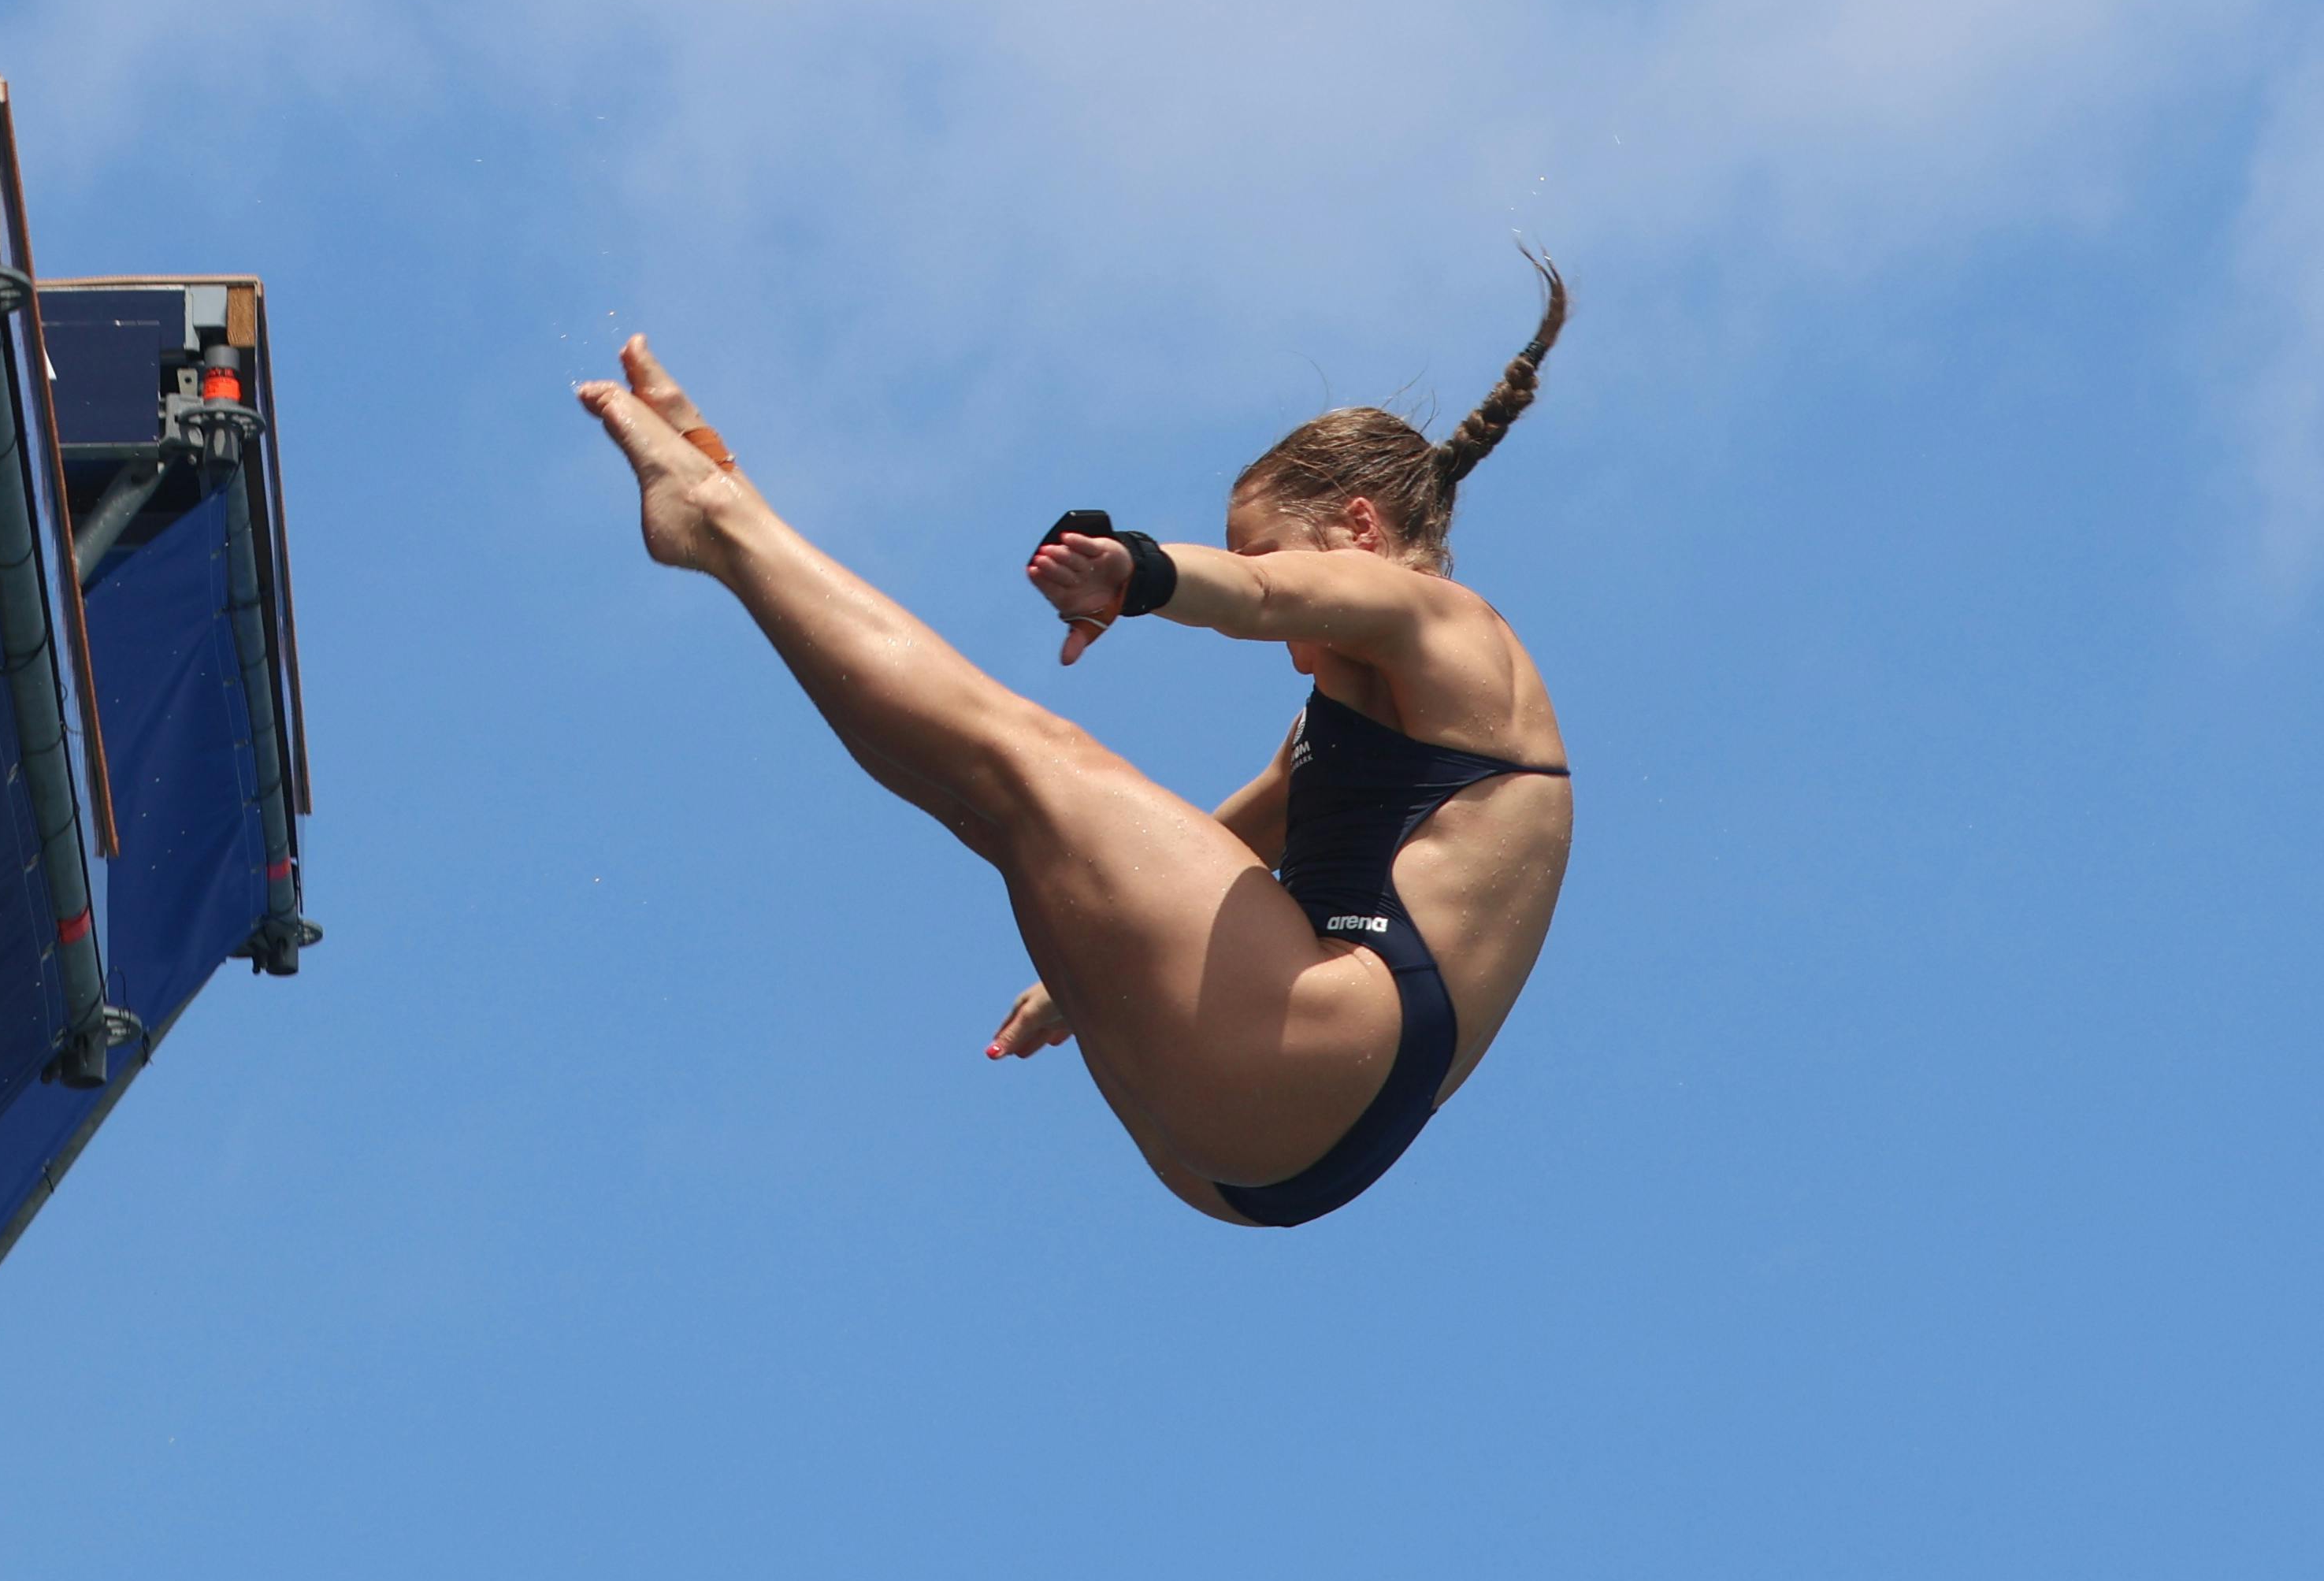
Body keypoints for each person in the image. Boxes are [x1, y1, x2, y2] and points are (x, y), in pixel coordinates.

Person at [577, 259, 1576, 1224]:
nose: (1267, 591)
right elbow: (1222, 838)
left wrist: (1137, 572)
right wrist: (1084, 970)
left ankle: (719, 518)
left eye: (1262, 542)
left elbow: (1266, 596)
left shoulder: (1441, 619)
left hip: (1315, 1050)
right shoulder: (1374, 717)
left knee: (1030, 753)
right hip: (1267, 1151)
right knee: (991, 804)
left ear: (1357, 529)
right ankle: (732, 523)